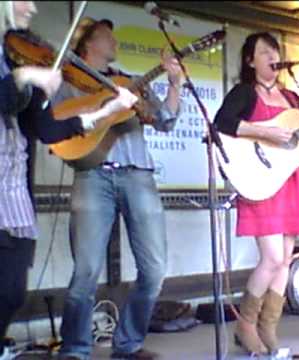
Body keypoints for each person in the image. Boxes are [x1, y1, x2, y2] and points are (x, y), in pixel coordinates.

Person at [0, 2, 138, 360]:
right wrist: (25, 78)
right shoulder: (18, 70)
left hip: (12, 193)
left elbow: (47, 130)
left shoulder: (19, 61)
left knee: (11, 292)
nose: (32, 7)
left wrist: (104, 112)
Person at [55, 16, 183, 360]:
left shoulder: (129, 81)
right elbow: (56, 127)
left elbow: (166, 120)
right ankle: (74, 349)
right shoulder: (67, 82)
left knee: (154, 269)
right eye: (107, 37)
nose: (114, 43)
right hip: (92, 174)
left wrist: (174, 83)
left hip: (137, 174)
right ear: (88, 44)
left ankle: (128, 345)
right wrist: (100, 113)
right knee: (85, 271)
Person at [213, 32, 299, 355]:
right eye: (264, 51)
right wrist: (264, 131)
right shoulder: (245, 92)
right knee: (271, 258)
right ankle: (245, 324)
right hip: (259, 179)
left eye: (275, 51)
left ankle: (268, 324)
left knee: (285, 259)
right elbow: (222, 123)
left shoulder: (294, 99)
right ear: (250, 60)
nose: (272, 56)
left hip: (291, 181)